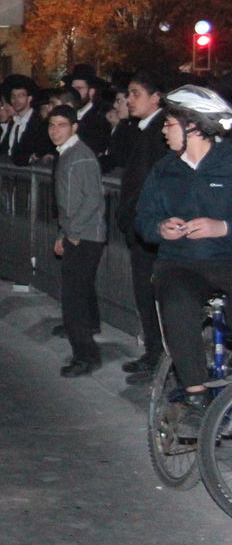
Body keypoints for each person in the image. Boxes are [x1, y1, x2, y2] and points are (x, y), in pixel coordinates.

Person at [134, 85, 232, 419]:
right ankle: (195, 397)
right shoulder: (164, 170)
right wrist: (159, 227)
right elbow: (143, 219)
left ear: (193, 126)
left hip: (226, 260)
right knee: (175, 302)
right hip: (181, 264)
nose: (163, 131)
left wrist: (224, 228)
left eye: (169, 124)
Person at [116, 71, 168, 382]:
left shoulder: (159, 131)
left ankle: (158, 358)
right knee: (143, 292)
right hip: (141, 227)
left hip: (150, 228)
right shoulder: (143, 130)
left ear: (155, 97)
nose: (129, 100)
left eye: (136, 93)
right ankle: (152, 352)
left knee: (152, 294)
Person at [49, 105, 106, 377]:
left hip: (85, 236)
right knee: (76, 296)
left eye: (61, 125)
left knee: (74, 299)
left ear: (74, 127)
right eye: (52, 125)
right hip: (78, 233)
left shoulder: (80, 157)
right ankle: (84, 352)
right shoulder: (68, 155)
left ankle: (86, 356)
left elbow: (92, 198)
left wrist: (72, 232)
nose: (55, 130)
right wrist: (65, 232)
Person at [2, 74, 53, 165]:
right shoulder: (12, 123)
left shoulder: (40, 123)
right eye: (13, 96)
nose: (16, 100)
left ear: (29, 98)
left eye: (20, 96)